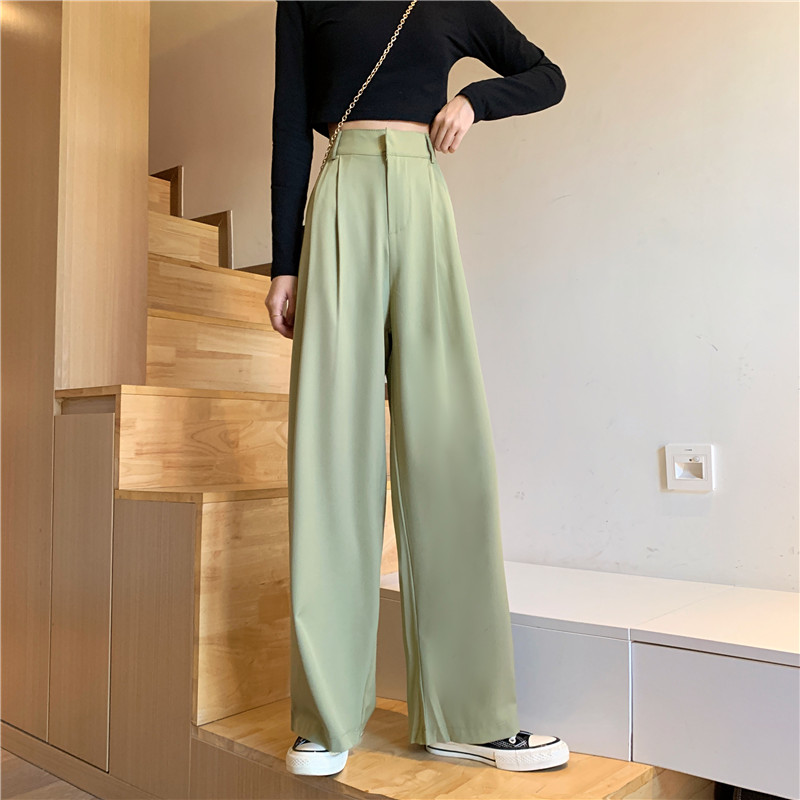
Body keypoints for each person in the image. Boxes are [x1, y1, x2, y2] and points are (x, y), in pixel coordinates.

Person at [265, 0, 568, 778]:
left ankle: (468, 715)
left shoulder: (450, 1)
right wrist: (284, 263)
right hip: (342, 193)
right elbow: (289, 122)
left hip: (423, 196)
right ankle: (326, 716)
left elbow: (548, 76)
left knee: (448, 445)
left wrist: (475, 100)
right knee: (333, 451)